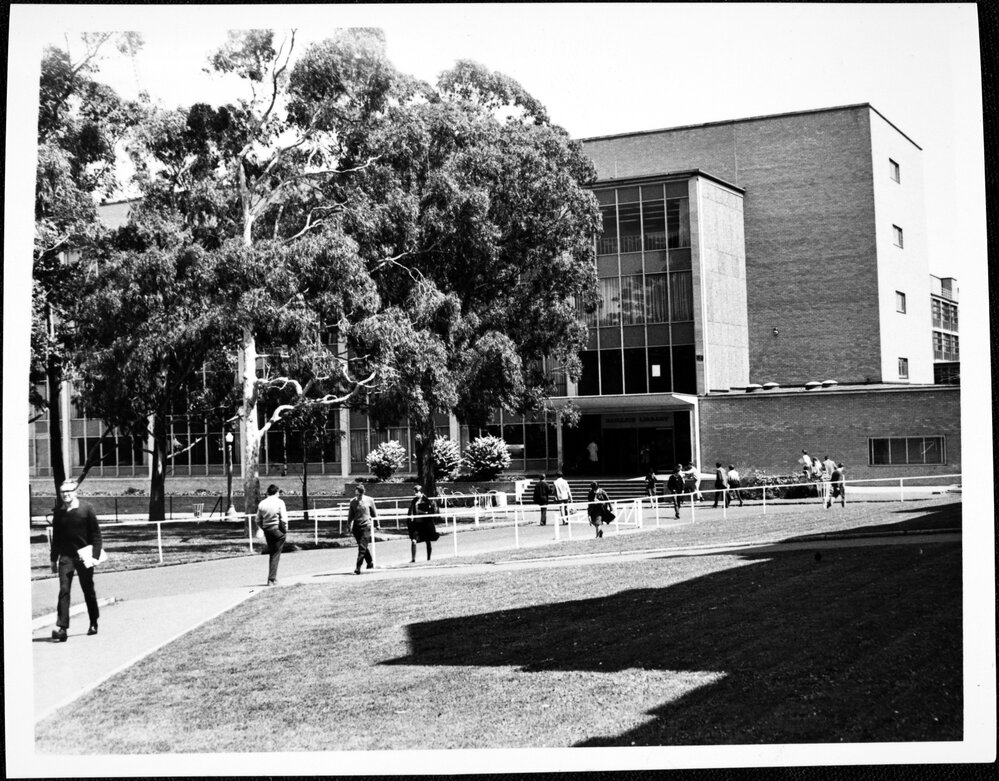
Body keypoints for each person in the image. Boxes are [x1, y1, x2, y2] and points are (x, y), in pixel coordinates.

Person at [49, 480, 103, 641]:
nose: (66, 494)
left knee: (88, 590)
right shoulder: (58, 512)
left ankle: (93, 621)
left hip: (84, 556)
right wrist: (53, 559)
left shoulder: (86, 509)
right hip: (66, 558)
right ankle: (62, 628)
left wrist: (94, 556)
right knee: (64, 590)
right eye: (63, 492)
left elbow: (96, 535)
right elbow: (56, 538)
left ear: (75, 491)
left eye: (69, 491)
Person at [256, 484, 288, 586]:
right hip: (277, 530)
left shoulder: (262, 504)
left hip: (267, 530)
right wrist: (284, 530)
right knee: (276, 554)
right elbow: (283, 518)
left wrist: (264, 527)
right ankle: (271, 578)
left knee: (273, 553)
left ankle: (272, 578)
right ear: (276, 492)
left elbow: (257, 520)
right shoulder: (279, 502)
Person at [347, 484, 379, 574]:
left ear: (362, 493)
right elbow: (350, 515)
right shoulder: (353, 502)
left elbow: (374, 513)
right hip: (356, 527)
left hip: (366, 526)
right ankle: (370, 562)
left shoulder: (369, 500)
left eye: (359, 495)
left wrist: (377, 524)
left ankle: (358, 567)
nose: (358, 497)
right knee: (363, 546)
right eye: (356, 495)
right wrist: (348, 525)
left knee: (362, 547)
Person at [407, 486, 440, 562]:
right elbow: (411, 511)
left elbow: (431, 511)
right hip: (417, 525)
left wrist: (425, 512)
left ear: (420, 492)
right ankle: (413, 559)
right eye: (414, 492)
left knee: (427, 541)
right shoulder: (414, 501)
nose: (415, 494)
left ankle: (428, 558)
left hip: (425, 525)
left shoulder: (426, 500)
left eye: (417, 492)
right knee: (413, 540)